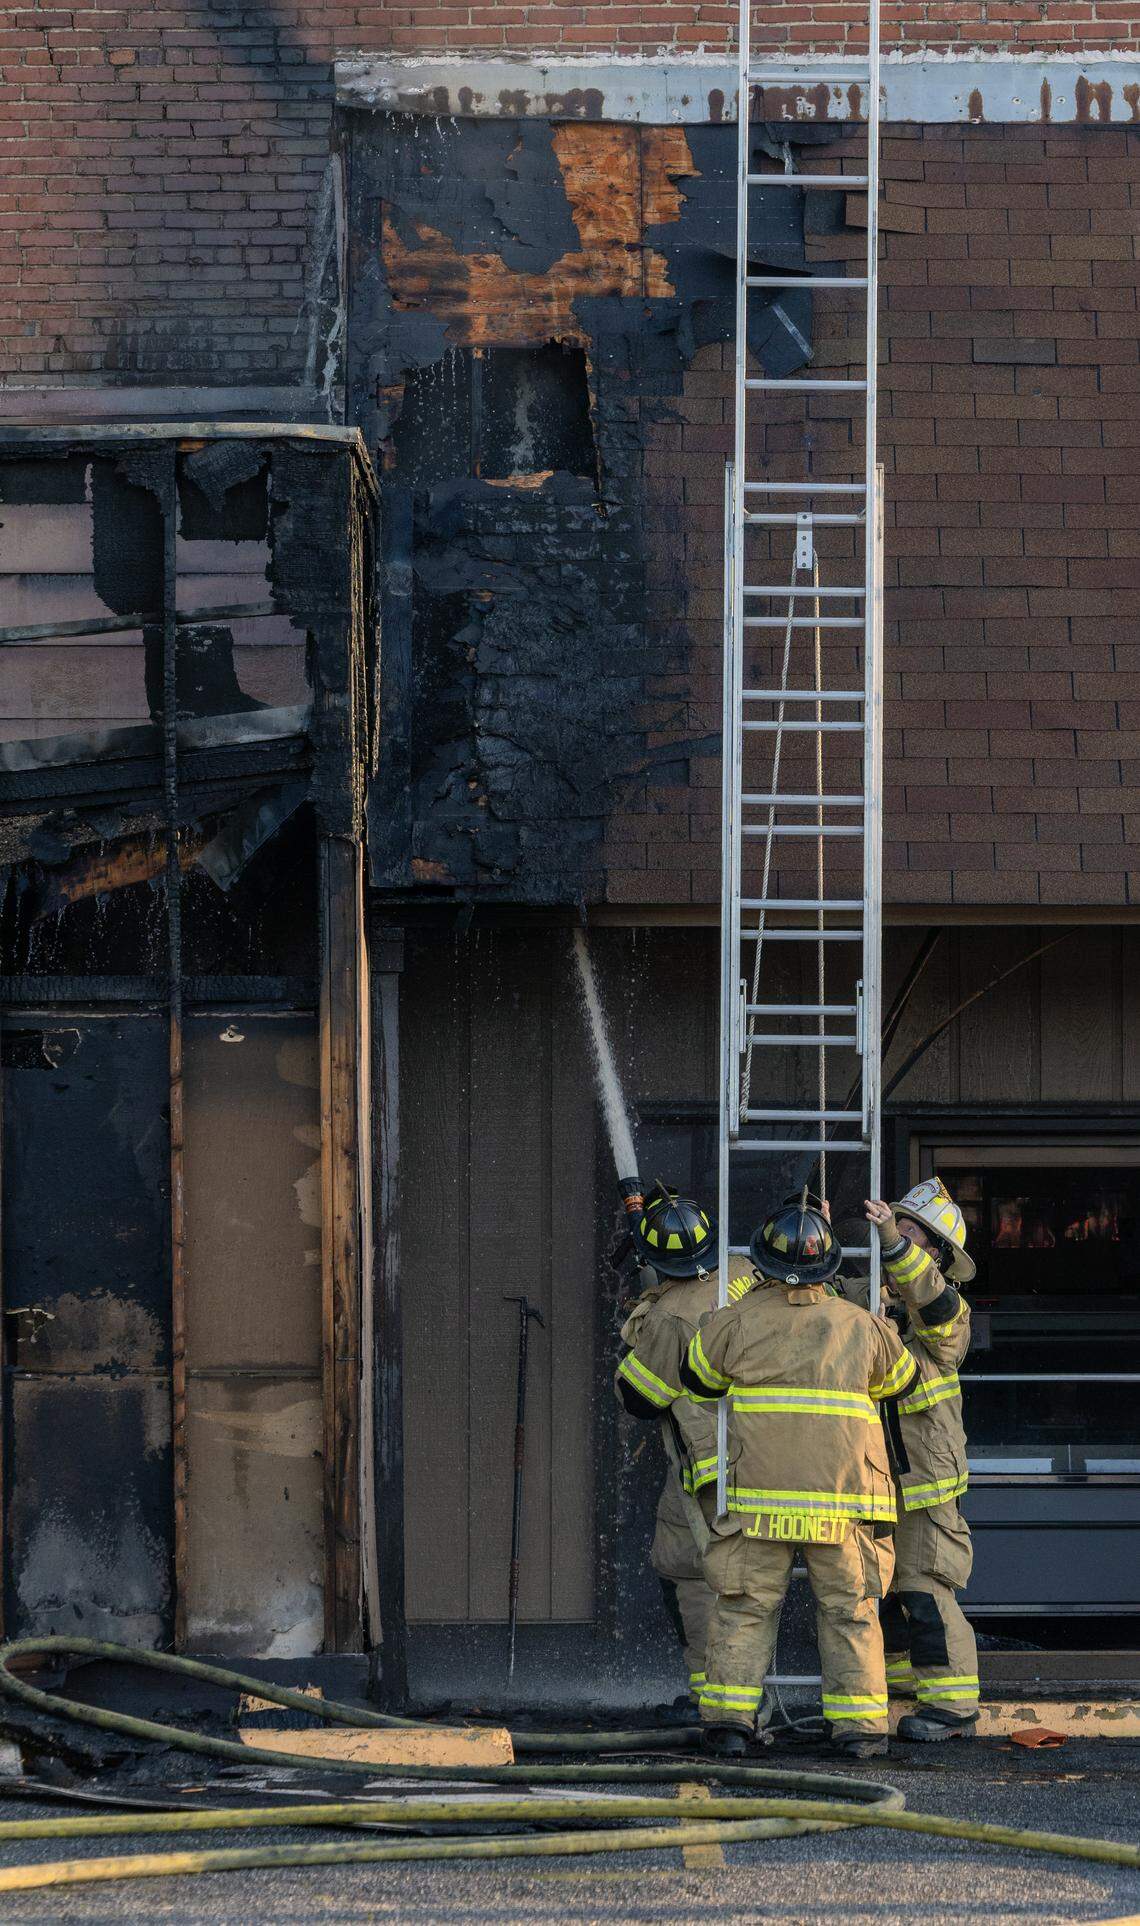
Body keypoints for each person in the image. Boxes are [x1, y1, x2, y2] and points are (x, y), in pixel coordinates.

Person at [677, 1194, 918, 1760]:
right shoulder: (862, 1326)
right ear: (831, 1266)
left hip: (758, 1503)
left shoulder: (733, 1322)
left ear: (760, 1261)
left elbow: (699, 1382)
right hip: (844, 1503)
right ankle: (859, 1732)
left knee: (744, 1607)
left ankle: (730, 1725)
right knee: (852, 1610)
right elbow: (900, 1384)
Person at [613, 1183, 750, 1707]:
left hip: (712, 1468)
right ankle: (725, 1694)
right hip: (773, 1453)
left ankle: (719, 1696)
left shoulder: (668, 1317)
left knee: (696, 1573)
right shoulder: (747, 1273)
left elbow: (641, 1398)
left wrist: (642, 1319)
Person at [864, 1178, 980, 1742]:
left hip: (926, 1482)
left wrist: (889, 1239)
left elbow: (927, 1293)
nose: (893, 1240)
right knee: (883, 1592)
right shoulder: (878, 1305)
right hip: (878, 1479)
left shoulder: (946, 1311)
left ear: (935, 1252)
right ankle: (903, 1686)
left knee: (925, 1589)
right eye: (893, 1232)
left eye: (908, 1233)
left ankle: (953, 1706)